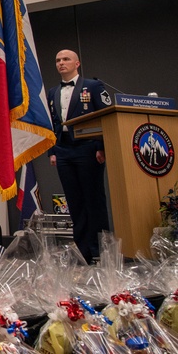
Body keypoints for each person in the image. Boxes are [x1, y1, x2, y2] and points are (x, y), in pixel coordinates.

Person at [47, 48, 112, 264]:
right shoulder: (52, 92)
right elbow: (51, 124)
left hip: (88, 148)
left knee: (93, 199)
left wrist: (101, 146)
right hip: (64, 151)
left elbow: (106, 116)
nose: (61, 63)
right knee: (74, 202)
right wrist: (52, 151)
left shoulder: (93, 86)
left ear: (77, 63)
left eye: (66, 59)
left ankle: (100, 249)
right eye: (58, 60)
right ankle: (82, 250)